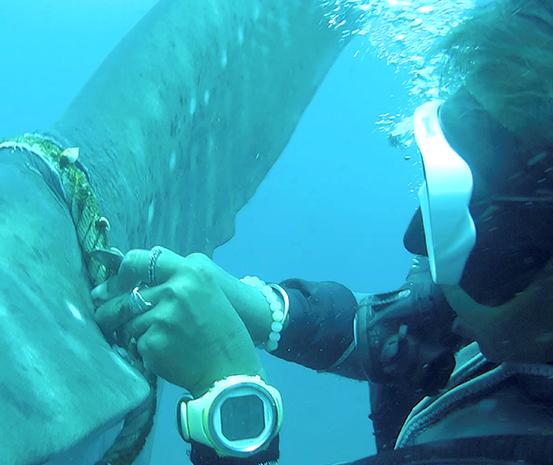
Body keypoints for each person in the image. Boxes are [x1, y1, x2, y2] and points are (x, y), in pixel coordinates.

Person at [91, 1, 553, 464]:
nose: (418, 242)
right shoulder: (520, 328)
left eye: (468, 221)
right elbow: (409, 332)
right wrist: (263, 310)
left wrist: (228, 388)